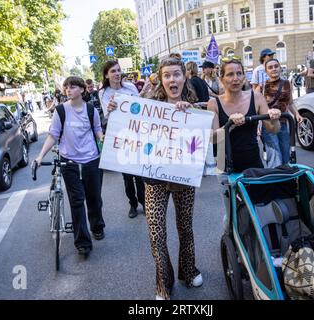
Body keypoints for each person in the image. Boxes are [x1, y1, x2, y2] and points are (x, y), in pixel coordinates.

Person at [107, 57, 203, 300]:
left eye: (176, 74)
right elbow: (127, 128)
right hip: (154, 179)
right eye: (167, 75)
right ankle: (163, 283)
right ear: (161, 80)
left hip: (183, 177)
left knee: (186, 228)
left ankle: (189, 271)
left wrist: (190, 113)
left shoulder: (195, 105)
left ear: (184, 77)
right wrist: (114, 112)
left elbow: (203, 139)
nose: (172, 79)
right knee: (156, 234)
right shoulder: (150, 105)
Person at [32, 76, 105, 257]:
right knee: (77, 201)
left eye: (72, 87)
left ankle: (97, 226)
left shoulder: (90, 110)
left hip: (91, 160)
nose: (68, 90)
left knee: (94, 198)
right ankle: (82, 243)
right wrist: (40, 156)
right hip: (69, 162)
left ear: (82, 89)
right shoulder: (60, 111)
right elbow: (52, 135)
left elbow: (97, 131)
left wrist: (105, 143)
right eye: (66, 87)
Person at [207, 58, 281, 173]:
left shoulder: (257, 97)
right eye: (230, 74)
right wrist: (229, 125)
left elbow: (273, 130)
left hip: (253, 162)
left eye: (239, 73)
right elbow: (213, 139)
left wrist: (275, 118)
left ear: (244, 77)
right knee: (229, 191)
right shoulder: (213, 103)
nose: (235, 78)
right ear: (221, 79)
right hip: (225, 166)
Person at [99, 60, 145, 219]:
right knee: (127, 176)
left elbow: (141, 107)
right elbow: (106, 116)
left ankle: (143, 201)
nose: (117, 74)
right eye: (113, 71)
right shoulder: (103, 93)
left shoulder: (131, 87)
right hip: (120, 136)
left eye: (118, 70)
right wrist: (110, 109)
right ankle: (132, 203)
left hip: (137, 133)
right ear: (107, 75)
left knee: (139, 173)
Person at [261, 59, 303, 168]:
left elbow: (290, 103)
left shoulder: (286, 83)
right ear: (266, 72)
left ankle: (285, 181)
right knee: (275, 155)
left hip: (283, 124)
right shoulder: (262, 86)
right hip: (269, 125)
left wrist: (297, 114)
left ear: (280, 68)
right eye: (270, 67)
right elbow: (258, 107)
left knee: (285, 154)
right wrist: (258, 125)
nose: (274, 68)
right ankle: (274, 181)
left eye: (276, 66)